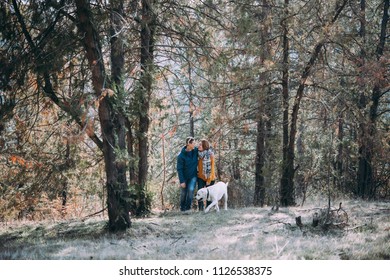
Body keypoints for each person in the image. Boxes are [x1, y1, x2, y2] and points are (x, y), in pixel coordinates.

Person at [177, 136, 198, 212]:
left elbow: (204, 149)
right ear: (188, 144)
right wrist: (182, 181)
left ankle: (188, 208)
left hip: (193, 176)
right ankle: (182, 209)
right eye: (193, 143)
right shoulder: (181, 156)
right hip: (184, 177)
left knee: (191, 190)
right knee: (183, 193)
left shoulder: (195, 151)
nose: (195, 145)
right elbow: (179, 169)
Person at [197, 139, 216, 211]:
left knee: (209, 194)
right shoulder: (198, 154)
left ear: (204, 146)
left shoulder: (210, 154)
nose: (198, 146)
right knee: (199, 193)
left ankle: (208, 208)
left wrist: (209, 179)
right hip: (201, 177)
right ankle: (200, 209)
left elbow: (212, 168)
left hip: (210, 177)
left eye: (200, 145)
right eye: (198, 144)